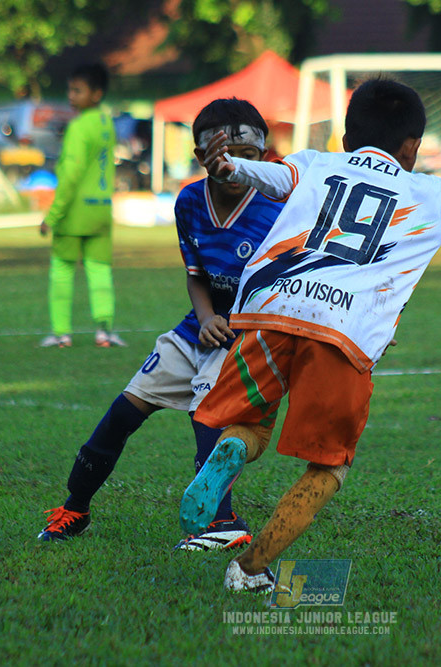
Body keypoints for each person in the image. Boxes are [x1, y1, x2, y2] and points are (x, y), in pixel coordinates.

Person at [179, 78, 441, 592]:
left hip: (268, 312)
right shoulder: (434, 194)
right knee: (328, 467)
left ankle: (229, 453)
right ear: (412, 148)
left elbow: (269, 178)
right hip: (344, 333)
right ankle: (250, 569)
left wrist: (231, 166)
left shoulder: (317, 163)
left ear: (344, 137)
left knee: (253, 425)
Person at [37, 98, 284, 551]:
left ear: (266, 159)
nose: (236, 168)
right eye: (225, 157)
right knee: (123, 412)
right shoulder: (190, 201)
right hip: (199, 328)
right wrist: (208, 317)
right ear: (201, 157)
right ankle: (75, 506)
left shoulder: (281, 205)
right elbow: (196, 276)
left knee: (205, 415)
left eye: (249, 159)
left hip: (247, 337)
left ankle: (221, 524)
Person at [38, 63, 123, 348]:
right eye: (70, 90)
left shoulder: (77, 127)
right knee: (99, 270)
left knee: (62, 270)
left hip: (74, 212)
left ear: (96, 93)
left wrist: (51, 215)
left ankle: (61, 333)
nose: (71, 96)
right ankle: (104, 331)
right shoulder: (106, 123)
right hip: (100, 209)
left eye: (77, 90)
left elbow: (71, 174)